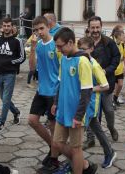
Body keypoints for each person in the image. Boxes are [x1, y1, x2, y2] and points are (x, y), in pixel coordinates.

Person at [51, 27, 98, 174]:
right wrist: (55, 102)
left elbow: (86, 91)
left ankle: (79, 169)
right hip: (62, 110)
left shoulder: (83, 61)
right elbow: (60, 82)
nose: (58, 50)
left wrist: (78, 116)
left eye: (60, 46)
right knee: (57, 143)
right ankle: (85, 166)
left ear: (70, 42)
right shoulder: (64, 58)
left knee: (76, 148)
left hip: (76, 114)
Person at [78, 37, 117, 168]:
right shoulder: (81, 61)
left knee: (77, 135)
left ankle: (77, 163)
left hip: (91, 104)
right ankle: (109, 152)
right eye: (80, 49)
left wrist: (88, 89)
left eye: (84, 49)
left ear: (91, 49)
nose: (81, 52)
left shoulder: (94, 65)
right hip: (83, 103)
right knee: (97, 129)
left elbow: (105, 86)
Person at [27, 16, 60, 170]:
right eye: (36, 30)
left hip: (54, 92)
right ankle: (53, 148)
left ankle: (54, 160)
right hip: (41, 90)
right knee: (32, 120)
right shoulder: (38, 45)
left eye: (41, 28)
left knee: (53, 128)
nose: (39, 32)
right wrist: (33, 48)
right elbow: (32, 68)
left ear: (48, 27)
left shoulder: (56, 44)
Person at [87, 16, 120, 145]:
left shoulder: (109, 42)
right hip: (90, 84)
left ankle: (111, 128)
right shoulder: (85, 42)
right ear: (89, 28)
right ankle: (91, 138)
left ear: (101, 27)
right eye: (93, 27)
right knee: (91, 112)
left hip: (107, 83)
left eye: (97, 27)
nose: (95, 30)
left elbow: (116, 58)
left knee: (108, 110)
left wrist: (107, 70)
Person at [0, 17, 26, 132]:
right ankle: (16, 112)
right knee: (3, 97)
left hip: (10, 73)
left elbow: (22, 57)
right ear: (1, 27)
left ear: (12, 27)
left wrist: (11, 62)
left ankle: (1, 122)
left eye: (8, 26)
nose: (6, 28)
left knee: (6, 99)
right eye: (4, 26)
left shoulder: (17, 41)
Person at [112, 29, 125, 105]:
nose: (124, 36)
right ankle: (113, 101)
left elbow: (124, 56)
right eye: (122, 35)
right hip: (113, 69)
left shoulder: (122, 45)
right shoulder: (112, 44)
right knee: (114, 86)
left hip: (120, 69)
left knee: (120, 84)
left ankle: (115, 97)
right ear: (118, 36)